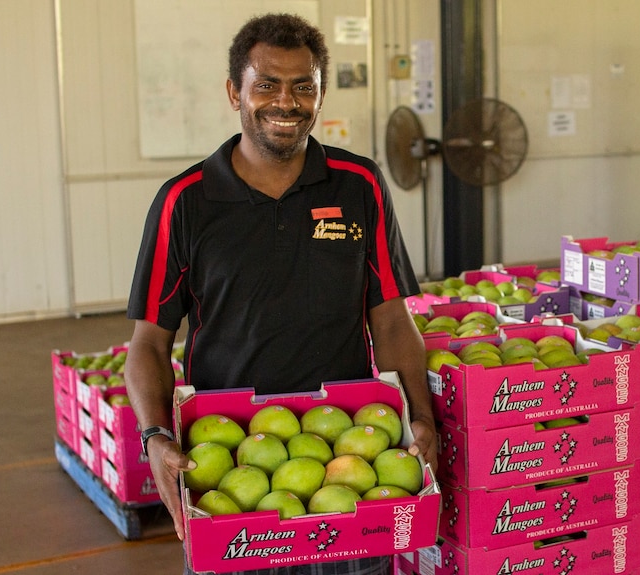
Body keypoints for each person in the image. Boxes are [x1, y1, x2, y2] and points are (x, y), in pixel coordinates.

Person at [124, 13, 437, 575]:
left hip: (348, 450)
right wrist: (154, 435)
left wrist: (420, 417)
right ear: (234, 92)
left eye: (303, 86)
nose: (285, 102)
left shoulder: (358, 184)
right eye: (266, 84)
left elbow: (390, 319)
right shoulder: (185, 201)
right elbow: (148, 341)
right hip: (228, 460)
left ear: (319, 95)